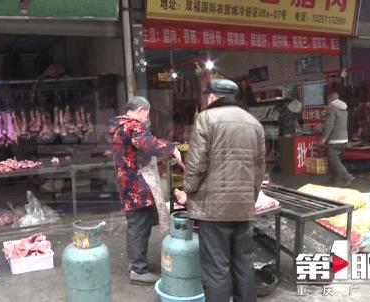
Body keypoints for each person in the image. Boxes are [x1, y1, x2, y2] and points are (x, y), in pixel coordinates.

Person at [183, 79, 265, 302]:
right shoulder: (254, 123)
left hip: (213, 209)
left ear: (211, 97)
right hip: (243, 206)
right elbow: (259, 168)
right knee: (244, 264)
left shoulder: (206, 118)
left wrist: (188, 191)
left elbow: (195, 164)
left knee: (217, 268)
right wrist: (251, 197)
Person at [108, 96, 182, 285]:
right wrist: (173, 148)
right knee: (139, 226)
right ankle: (138, 271)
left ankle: (136, 263)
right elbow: (149, 144)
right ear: (140, 110)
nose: (146, 119)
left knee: (137, 225)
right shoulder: (132, 126)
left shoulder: (118, 126)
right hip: (136, 186)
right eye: (146, 114)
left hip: (127, 182)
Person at [321, 92, 354, 187]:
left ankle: (347, 177)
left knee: (333, 160)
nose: (327, 101)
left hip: (335, 139)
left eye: (327, 99)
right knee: (336, 160)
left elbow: (329, 125)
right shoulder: (344, 109)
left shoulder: (332, 109)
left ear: (331, 99)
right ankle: (334, 179)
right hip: (344, 138)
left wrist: (323, 139)